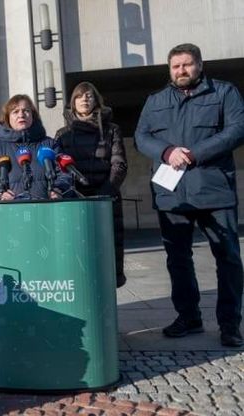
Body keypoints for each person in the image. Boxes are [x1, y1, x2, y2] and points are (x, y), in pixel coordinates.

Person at [135, 43, 244, 347]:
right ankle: (189, 317)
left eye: (187, 64)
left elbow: (237, 129)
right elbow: (141, 137)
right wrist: (167, 151)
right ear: (169, 69)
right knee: (178, 259)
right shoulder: (155, 101)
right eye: (175, 66)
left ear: (199, 64)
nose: (181, 71)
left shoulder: (224, 93)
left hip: (214, 189)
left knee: (228, 259)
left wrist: (194, 154)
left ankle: (229, 323)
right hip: (172, 194)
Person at [55, 82, 128, 288]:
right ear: (73, 103)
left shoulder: (112, 130)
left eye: (89, 96)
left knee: (106, 255)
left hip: (106, 198)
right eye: (79, 96)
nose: (85, 100)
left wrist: (106, 192)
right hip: (75, 200)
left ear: (96, 100)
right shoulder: (62, 134)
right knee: (77, 257)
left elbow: (119, 164)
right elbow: (59, 168)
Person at [0, 94, 71, 201]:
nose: (21, 115)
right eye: (15, 112)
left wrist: (59, 189)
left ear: (33, 115)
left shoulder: (49, 144)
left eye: (26, 110)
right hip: (10, 211)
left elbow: (65, 174)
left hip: (46, 209)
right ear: (7, 118)